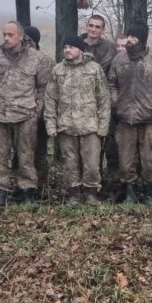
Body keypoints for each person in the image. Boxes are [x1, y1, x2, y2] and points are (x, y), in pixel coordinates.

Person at [0, 22, 53, 207]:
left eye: (10, 35)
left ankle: (27, 191)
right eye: (4, 34)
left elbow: (43, 88)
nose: (6, 38)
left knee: (26, 155)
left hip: (26, 115)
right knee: (0, 155)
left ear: (21, 36)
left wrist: (36, 112)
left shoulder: (37, 58)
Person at [108, 22, 152, 205]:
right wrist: (116, 102)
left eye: (133, 36)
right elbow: (112, 84)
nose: (129, 40)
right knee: (126, 159)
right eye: (128, 36)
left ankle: (150, 193)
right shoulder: (119, 60)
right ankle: (129, 192)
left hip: (148, 120)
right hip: (125, 118)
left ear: (142, 39)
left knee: (148, 158)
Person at [45, 36, 111, 204]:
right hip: (66, 125)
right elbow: (51, 99)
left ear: (81, 50)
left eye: (72, 47)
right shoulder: (58, 70)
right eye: (65, 46)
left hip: (90, 126)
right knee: (70, 162)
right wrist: (51, 123)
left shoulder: (94, 69)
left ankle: (91, 193)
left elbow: (103, 99)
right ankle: (73, 193)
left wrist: (103, 126)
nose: (67, 50)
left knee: (91, 163)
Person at [82, 14, 122, 200]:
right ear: (86, 26)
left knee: (112, 147)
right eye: (91, 25)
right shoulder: (77, 45)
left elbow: (114, 74)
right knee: (90, 149)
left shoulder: (110, 49)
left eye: (98, 27)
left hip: (106, 104)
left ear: (103, 29)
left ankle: (113, 186)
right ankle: (91, 186)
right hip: (83, 105)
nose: (93, 29)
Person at [23, 25, 58, 196]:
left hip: (39, 116)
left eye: (28, 41)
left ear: (35, 43)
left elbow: (47, 92)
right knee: (21, 153)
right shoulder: (17, 60)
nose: (25, 44)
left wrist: (36, 114)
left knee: (39, 152)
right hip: (19, 116)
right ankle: (23, 185)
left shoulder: (46, 62)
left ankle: (41, 185)